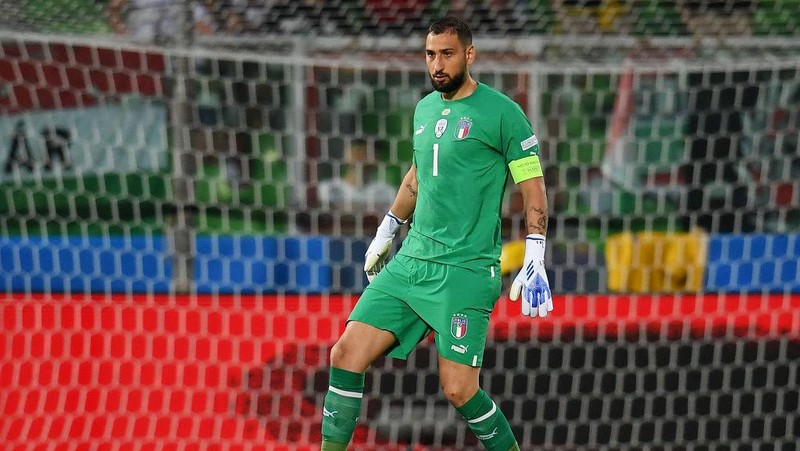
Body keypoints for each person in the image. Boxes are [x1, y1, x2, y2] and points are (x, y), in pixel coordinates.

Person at [320, 16, 553, 450]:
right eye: (430, 55)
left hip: (465, 270)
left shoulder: (503, 114)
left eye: (447, 54)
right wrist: (388, 229)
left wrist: (536, 249)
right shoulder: (425, 110)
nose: (437, 65)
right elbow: (418, 175)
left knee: (459, 389)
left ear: (469, 54)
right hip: (412, 261)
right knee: (345, 353)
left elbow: (532, 185)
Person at [316, 139, 396, 213]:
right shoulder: (327, 188)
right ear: (346, 154)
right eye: (358, 151)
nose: (361, 157)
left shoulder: (385, 192)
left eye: (368, 152)